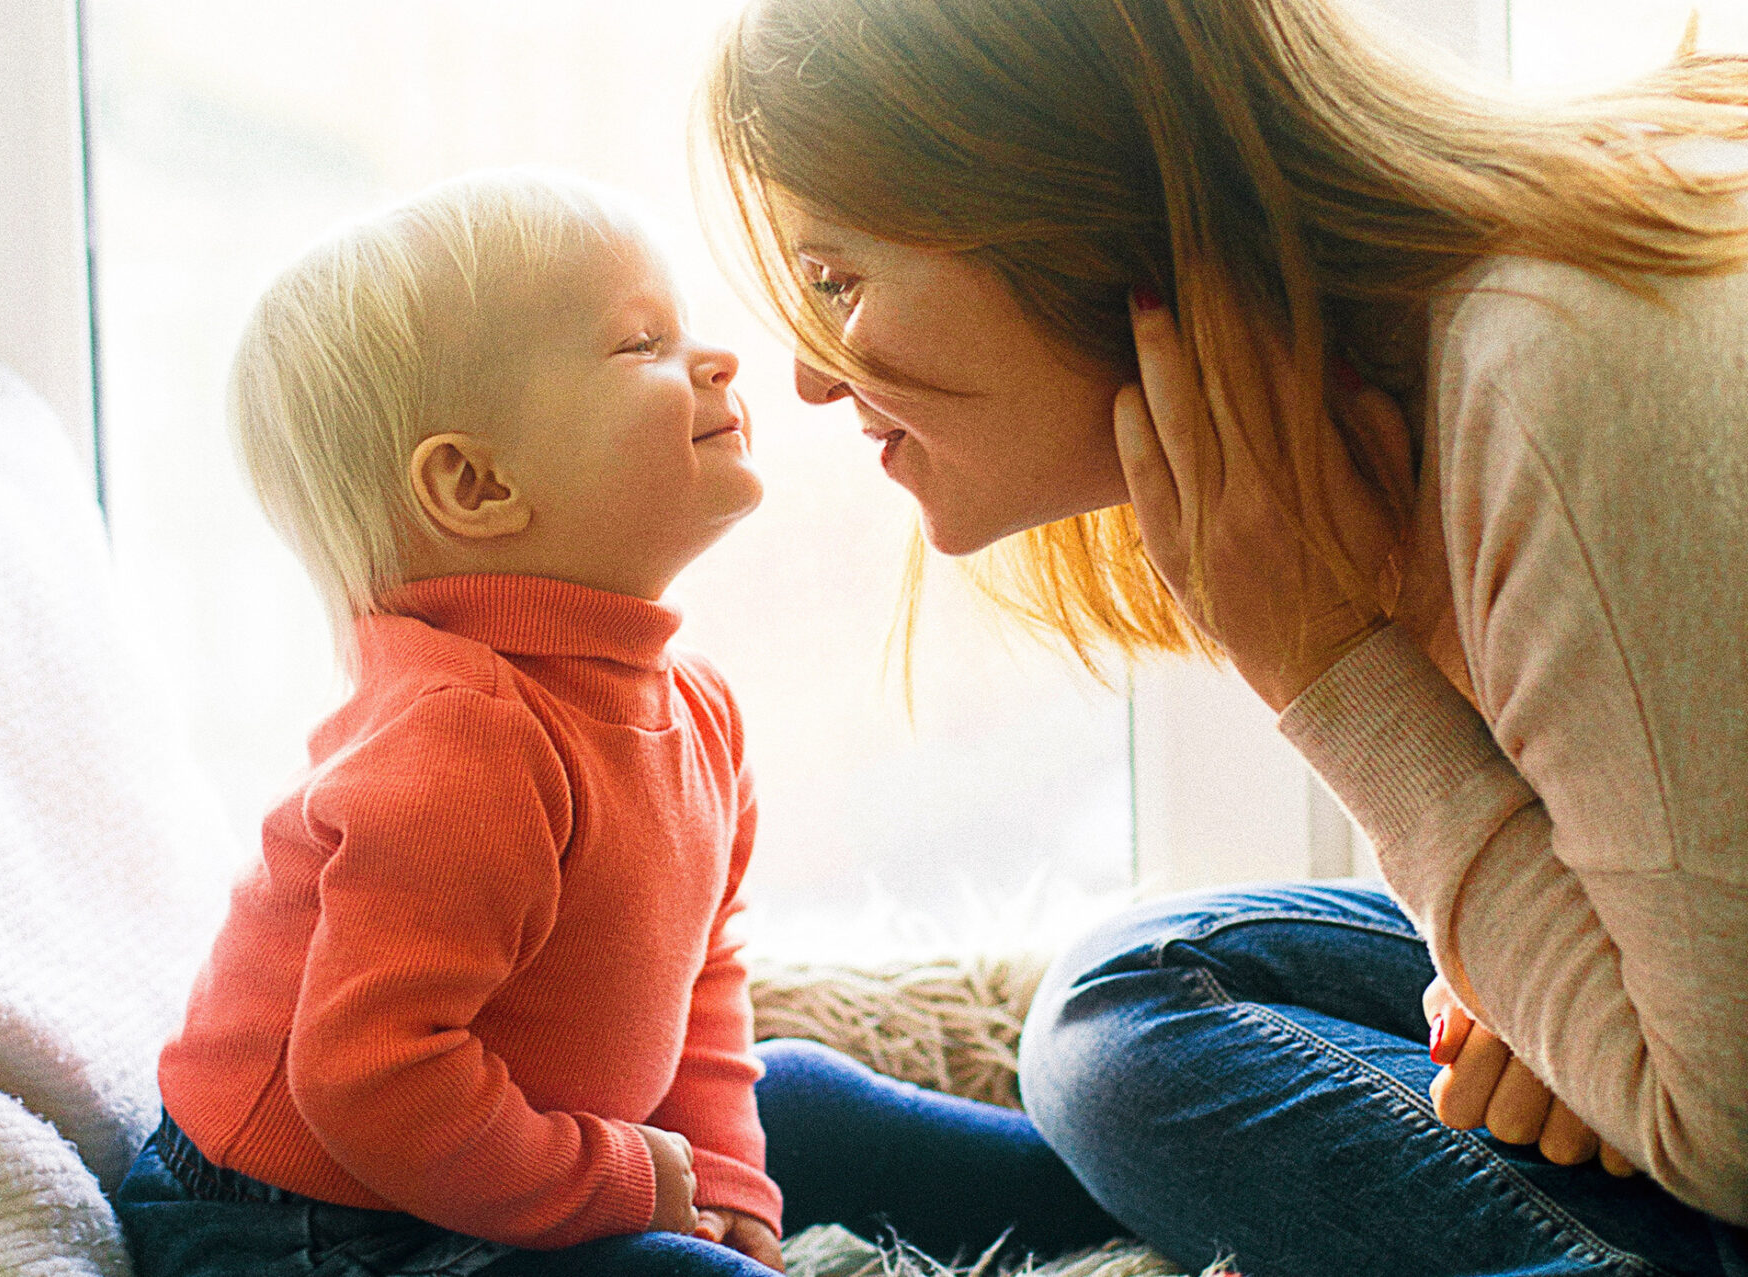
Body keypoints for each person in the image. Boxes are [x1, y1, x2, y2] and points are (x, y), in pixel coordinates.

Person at [697, 1, 1748, 1274]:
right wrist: (1537, 1005)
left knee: (1120, 1040)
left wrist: (1332, 675)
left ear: (1062, 202)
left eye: (836, 282)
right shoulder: (1413, 393)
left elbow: (1728, 1127)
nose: (810, 374)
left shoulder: (1547, 384)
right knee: (1130, 991)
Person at [111, 170, 1114, 1277]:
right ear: (475, 486)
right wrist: (620, 1182)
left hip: (502, 1155)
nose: (718, 359)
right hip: (298, 1226)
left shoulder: (696, 709)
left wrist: (723, 1174)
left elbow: (701, 974)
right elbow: (367, 1076)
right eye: (641, 345)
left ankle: (1146, 1197)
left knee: (805, 1096)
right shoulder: (461, 743)